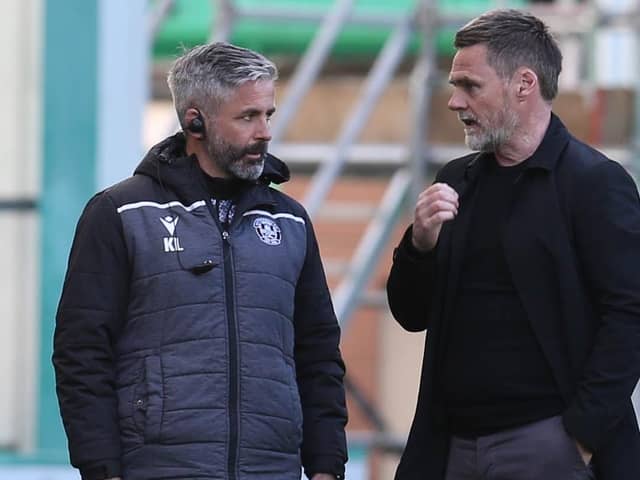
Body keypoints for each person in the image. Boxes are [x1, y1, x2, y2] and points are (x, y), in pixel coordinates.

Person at [53, 42, 348, 480]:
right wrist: (101, 468)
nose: (265, 131)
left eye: (268, 114)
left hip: (272, 469)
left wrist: (327, 464)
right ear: (195, 121)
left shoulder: (291, 220)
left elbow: (318, 352)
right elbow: (82, 353)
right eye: (248, 116)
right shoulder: (121, 213)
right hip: (158, 468)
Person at [387, 9, 640, 480]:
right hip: (451, 447)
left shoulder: (594, 183)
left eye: (470, 85)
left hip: (549, 447)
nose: (453, 102)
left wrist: (580, 437)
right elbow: (410, 313)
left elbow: (629, 315)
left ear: (524, 84)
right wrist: (419, 246)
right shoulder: (456, 181)